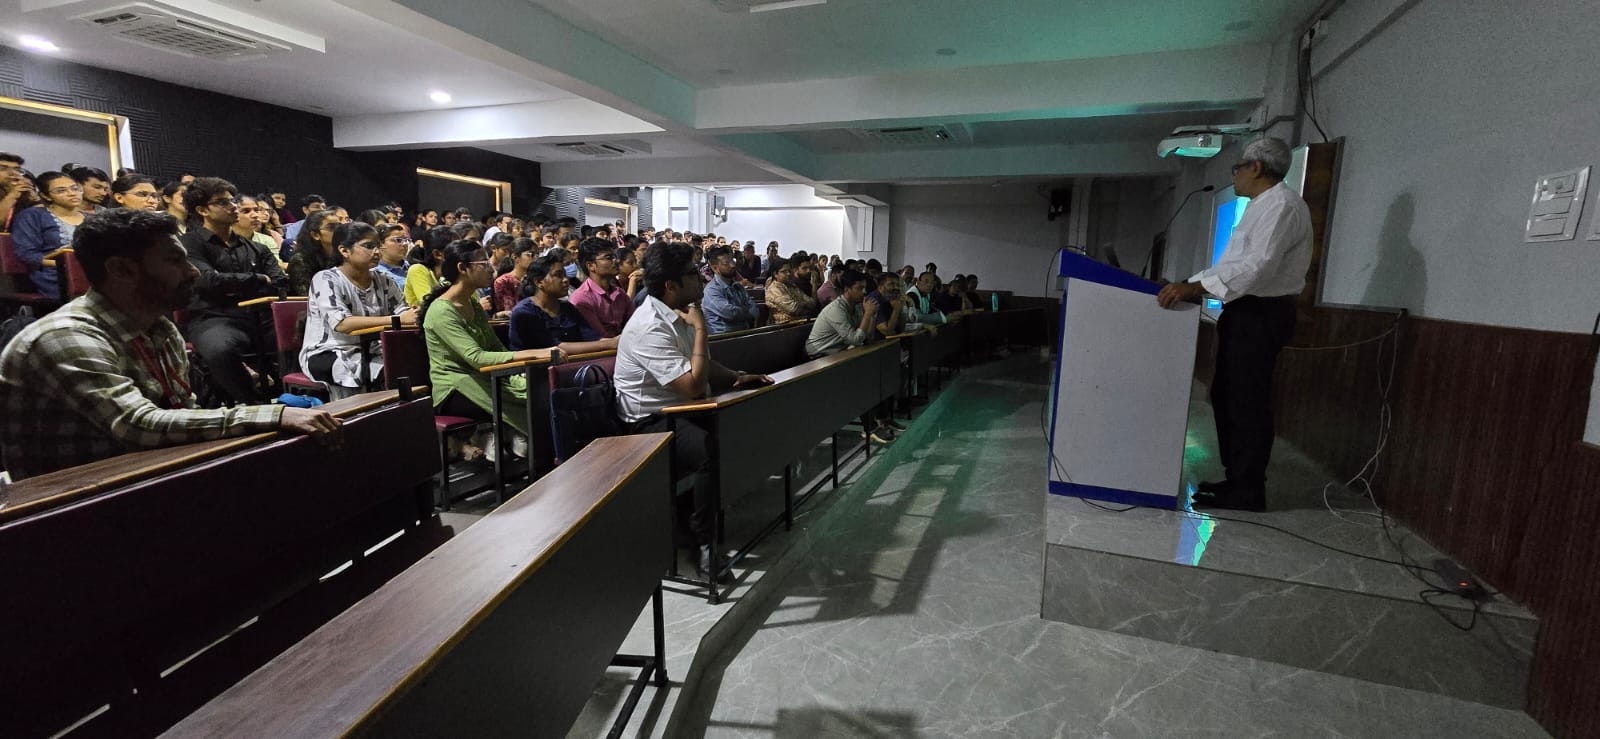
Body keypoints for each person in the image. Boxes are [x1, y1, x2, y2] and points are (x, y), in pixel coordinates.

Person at [0, 208, 340, 480]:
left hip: (148, 482)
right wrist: (274, 413)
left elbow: (183, 415)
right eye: (174, 261)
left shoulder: (159, 328)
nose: (192, 272)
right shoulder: (65, 337)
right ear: (122, 270)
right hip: (67, 515)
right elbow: (138, 426)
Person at [1157, 137, 1311, 512]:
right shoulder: (1261, 206)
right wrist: (1189, 284)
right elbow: (1231, 267)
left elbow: (1257, 268)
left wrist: (1193, 287)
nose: (1235, 175)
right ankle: (1237, 479)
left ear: (1256, 168)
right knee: (1226, 397)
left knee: (1246, 402)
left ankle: (1249, 489)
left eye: (1237, 168)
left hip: (1261, 314)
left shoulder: (1283, 206)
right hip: (1245, 312)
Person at [614, 242, 772, 580]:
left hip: (680, 409)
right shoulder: (650, 325)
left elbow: (702, 366)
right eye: (692, 275)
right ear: (670, 285)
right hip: (649, 421)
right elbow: (692, 385)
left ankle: (697, 520)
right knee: (706, 448)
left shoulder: (679, 310)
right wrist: (701, 328)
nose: (701, 279)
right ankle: (703, 543)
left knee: (742, 424)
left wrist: (737, 377)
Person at [419, 240, 553, 452]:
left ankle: (528, 443)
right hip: (455, 387)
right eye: (484, 263)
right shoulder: (441, 311)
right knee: (530, 398)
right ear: (463, 268)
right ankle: (528, 443)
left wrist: (516, 371)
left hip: (482, 376)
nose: (491, 269)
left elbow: (495, 347)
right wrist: (533, 354)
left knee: (535, 389)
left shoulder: (472, 303)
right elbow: (477, 358)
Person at [181, 177, 288, 405]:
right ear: (202, 210)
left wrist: (232, 282)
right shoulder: (189, 243)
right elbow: (206, 281)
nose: (233, 206)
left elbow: (278, 282)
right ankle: (253, 404)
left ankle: (294, 396)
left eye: (232, 201)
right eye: (222, 202)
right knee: (219, 349)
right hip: (215, 317)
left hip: (260, 316)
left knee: (302, 332)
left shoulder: (256, 247)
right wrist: (258, 278)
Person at [300, 222, 417, 400]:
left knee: (415, 365)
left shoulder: (384, 280)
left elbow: (405, 313)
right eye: (368, 246)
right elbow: (342, 324)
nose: (376, 251)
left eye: (377, 245)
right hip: (329, 351)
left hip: (374, 348)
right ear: (344, 251)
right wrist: (396, 320)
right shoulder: (326, 279)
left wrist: (411, 315)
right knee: (387, 374)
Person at [805, 269, 898, 443]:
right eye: (859, 288)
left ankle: (883, 419)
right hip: (819, 356)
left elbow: (866, 337)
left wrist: (871, 316)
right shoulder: (836, 309)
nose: (864, 292)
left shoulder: (855, 306)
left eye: (864, 288)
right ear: (847, 289)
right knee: (859, 379)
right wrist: (868, 314)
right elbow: (855, 338)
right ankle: (870, 428)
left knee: (877, 369)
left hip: (838, 351)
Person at [508, 255, 619, 354]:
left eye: (565, 275)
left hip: (570, 366)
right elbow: (556, 347)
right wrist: (609, 344)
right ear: (539, 282)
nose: (566, 280)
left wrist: (618, 341)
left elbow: (592, 338)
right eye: (558, 275)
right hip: (532, 372)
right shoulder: (524, 313)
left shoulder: (567, 308)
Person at [10, 171, 84, 299]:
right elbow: (27, 254)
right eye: (61, 191)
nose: (72, 193)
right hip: (54, 272)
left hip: (90, 269)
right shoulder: (33, 216)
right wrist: (65, 264)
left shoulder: (94, 218)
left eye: (75, 188)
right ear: (46, 196)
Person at [568, 236, 636, 338]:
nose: (616, 261)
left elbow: (633, 326)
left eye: (614, 257)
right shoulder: (581, 299)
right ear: (591, 266)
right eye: (609, 258)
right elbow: (600, 337)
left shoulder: (620, 293)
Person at [700, 245, 759, 334]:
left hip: (743, 334)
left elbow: (755, 308)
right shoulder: (711, 290)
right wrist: (747, 312)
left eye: (732, 261)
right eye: (726, 263)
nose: (732, 265)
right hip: (723, 338)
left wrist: (746, 312)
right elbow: (730, 314)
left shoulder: (738, 286)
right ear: (715, 268)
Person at [284, 210, 342, 295]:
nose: (338, 231)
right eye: (331, 227)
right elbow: (306, 297)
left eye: (339, 226)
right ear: (315, 235)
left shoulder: (344, 256)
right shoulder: (300, 260)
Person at [405, 226, 450, 307]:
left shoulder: (448, 276)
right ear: (437, 254)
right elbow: (430, 306)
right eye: (455, 248)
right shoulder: (417, 270)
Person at [765, 256, 818, 323]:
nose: (789, 274)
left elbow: (812, 303)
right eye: (784, 271)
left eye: (789, 271)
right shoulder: (774, 289)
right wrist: (804, 304)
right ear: (775, 274)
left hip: (801, 322)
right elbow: (793, 309)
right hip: (784, 326)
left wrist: (801, 304)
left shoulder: (792, 286)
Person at [493, 237, 537, 316]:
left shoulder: (537, 278)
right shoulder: (503, 281)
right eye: (530, 254)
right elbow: (509, 309)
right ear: (515, 257)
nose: (535, 258)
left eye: (537, 254)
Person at [372, 223, 411, 290]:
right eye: (398, 240)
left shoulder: (412, 266)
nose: (405, 244)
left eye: (406, 240)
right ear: (380, 244)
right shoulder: (376, 274)